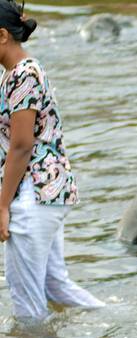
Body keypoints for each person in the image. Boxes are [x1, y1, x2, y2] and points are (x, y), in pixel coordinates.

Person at [0, 2, 102, 321]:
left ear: (2, 35)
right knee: (55, 286)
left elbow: (21, 145)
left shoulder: (22, 75)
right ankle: (120, 324)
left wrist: (1, 206)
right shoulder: (22, 72)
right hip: (47, 194)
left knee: (27, 303)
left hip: (33, 196)